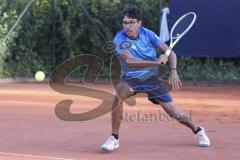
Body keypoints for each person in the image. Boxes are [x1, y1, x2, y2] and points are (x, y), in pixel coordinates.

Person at [100, 5, 210, 152]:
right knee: (118, 96)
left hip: (151, 79)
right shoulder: (120, 38)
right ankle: (114, 138)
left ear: (139, 23)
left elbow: (171, 53)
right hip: (130, 78)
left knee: (172, 110)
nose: (128, 26)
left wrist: (173, 70)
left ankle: (198, 130)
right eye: (125, 22)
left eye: (132, 22)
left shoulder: (149, 34)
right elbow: (130, 61)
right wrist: (155, 62)